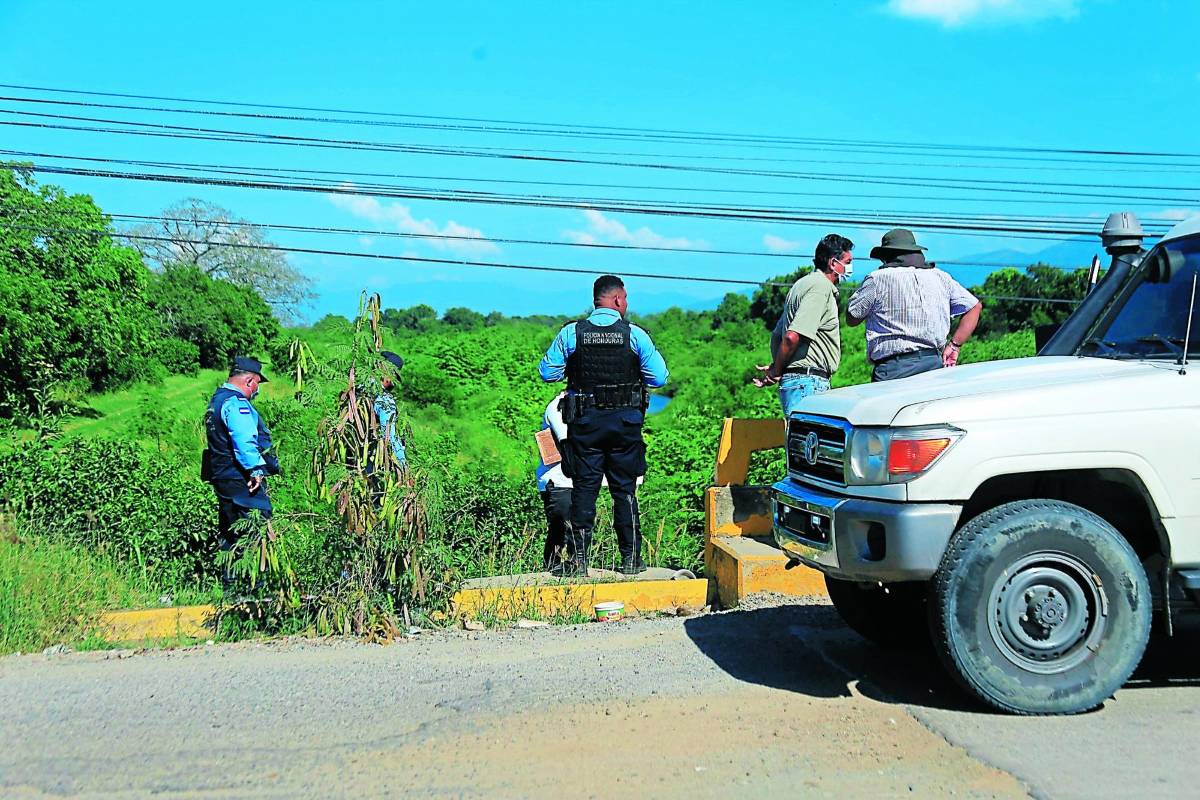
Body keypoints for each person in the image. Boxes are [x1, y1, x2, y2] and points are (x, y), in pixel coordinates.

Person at [538, 275, 669, 577]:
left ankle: (579, 562)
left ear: (596, 300)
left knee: (585, 490)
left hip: (585, 423)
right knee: (624, 491)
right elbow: (659, 378)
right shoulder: (635, 334)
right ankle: (631, 561)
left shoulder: (571, 333)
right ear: (618, 299)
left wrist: (574, 368)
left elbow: (548, 373)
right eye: (625, 299)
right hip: (624, 424)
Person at [847, 228, 983, 382]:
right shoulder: (940, 277)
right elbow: (974, 306)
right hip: (934, 366)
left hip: (893, 369)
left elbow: (853, 316)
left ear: (887, 256)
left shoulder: (877, 279)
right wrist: (954, 346)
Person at [536, 392, 644, 571]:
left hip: (574, 478)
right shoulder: (559, 406)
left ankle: (626, 559)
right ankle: (561, 564)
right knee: (560, 527)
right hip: (561, 478)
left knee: (567, 524)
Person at [754, 233, 854, 417]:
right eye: (847, 262)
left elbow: (777, 336)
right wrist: (776, 371)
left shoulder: (800, 285)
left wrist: (779, 366)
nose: (850, 268)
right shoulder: (820, 287)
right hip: (808, 382)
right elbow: (791, 337)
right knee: (811, 434)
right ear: (833, 263)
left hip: (796, 381)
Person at [201, 356, 279, 559]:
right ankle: (254, 579)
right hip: (242, 481)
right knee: (257, 535)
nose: (257, 389)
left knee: (231, 537)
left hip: (223, 479)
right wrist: (255, 469)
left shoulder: (216, 401)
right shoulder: (236, 404)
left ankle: (232, 579)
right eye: (257, 384)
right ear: (249, 381)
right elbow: (243, 439)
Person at [373, 350, 407, 468]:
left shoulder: (358, 388)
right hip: (372, 460)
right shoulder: (385, 401)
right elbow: (389, 437)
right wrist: (403, 466)